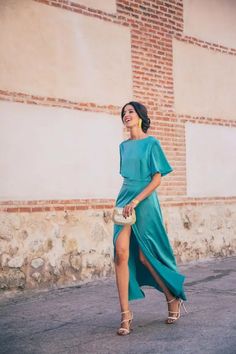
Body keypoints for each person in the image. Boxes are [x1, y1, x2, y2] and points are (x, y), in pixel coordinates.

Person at [113, 101, 187, 336]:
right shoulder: (123, 146)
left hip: (144, 202)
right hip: (124, 199)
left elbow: (156, 179)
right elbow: (127, 177)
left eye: (131, 111)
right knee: (120, 253)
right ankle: (125, 315)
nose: (126, 115)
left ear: (141, 116)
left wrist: (136, 201)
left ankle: (171, 297)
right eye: (124, 113)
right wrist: (126, 201)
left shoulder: (152, 143)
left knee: (146, 256)